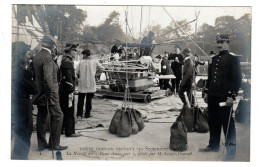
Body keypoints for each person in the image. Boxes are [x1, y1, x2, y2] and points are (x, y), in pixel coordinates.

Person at [199, 34, 242, 161]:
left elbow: (237, 80)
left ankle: (231, 151)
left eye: (222, 42)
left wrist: (231, 96)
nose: (219, 44)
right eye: (218, 42)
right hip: (213, 95)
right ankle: (213, 145)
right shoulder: (213, 58)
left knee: (228, 124)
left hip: (224, 96)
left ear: (228, 43)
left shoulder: (233, 59)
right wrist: (206, 92)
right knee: (213, 121)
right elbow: (210, 78)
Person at [32, 37, 68, 151]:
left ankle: (42, 144)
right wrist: (48, 95)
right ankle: (54, 144)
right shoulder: (47, 58)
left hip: (39, 93)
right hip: (49, 93)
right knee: (58, 116)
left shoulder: (37, 56)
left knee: (42, 117)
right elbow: (47, 79)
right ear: (52, 46)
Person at [11, 42, 38, 159]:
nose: (28, 57)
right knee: (24, 135)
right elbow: (34, 89)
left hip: (15, 106)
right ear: (20, 55)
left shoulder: (12, 68)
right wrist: (29, 74)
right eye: (26, 54)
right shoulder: (21, 72)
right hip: (22, 108)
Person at [76, 48, 104, 119]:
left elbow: (76, 72)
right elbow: (102, 68)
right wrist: (96, 74)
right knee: (89, 100)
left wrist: (79, 76)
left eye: (83, 54)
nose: (83, 56)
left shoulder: (81, 62)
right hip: (91, 82)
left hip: (82, 83)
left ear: (85, 55)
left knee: (81, 99)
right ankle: (87, 114)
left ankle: (79, 114)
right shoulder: (95, 62)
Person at [59, 48, 80, 137]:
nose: (76, 52)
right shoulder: (68, 62)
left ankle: (62, 129)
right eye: (74, 51)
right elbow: (68, 78)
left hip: (64, 89)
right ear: (70, 52)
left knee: (64, 109)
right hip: (68, 90)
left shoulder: (65, 60)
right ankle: (70, 131)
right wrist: (71, 89)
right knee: (69, 110)